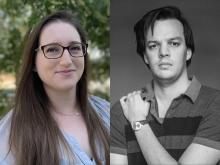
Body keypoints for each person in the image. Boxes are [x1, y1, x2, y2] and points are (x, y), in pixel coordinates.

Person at [110, 6, 220, 165]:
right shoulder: (121, 110)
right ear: (145, 57)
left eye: (174, 43)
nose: (163, 52)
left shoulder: (215, 104)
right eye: (153, 45)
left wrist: (138, 122)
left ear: (188, 52)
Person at [0, 11, 109, 165]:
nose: (67, 61)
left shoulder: (107, 112)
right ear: (33, 63)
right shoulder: (11, 133)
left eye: (75, 48)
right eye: (52, 49)